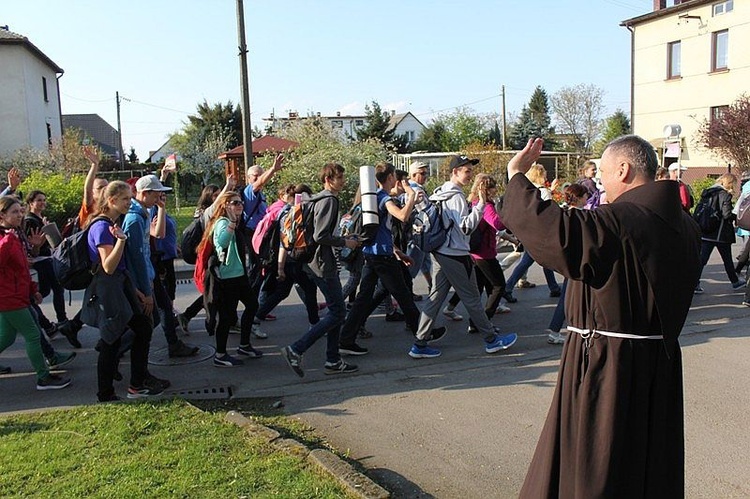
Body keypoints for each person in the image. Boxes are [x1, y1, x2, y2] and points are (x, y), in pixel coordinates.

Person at [502, 135, 701, 498]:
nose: (603, 183)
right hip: (659, 362)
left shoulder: (621, 220)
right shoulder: (685, 225)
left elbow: (558, 235)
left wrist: (516, 177)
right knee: (646, 463)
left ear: (623, 170)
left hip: (607, 367)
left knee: (598, 467)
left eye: (605, 173)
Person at [409, 155, 518, 359]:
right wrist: (480, 205)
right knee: (472, 298)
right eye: (466, 171)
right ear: (455, 172)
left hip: (441, 250)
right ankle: (491, 340)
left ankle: (419, 343)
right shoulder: (456, 196)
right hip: (454, 254)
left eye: (470, 170)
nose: (470, 175)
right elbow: (466, 227)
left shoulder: (440, 192)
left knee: (435, 298)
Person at [82, 181, 164, 401]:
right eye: (126, 199)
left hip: (120, 286)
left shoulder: (112, 222)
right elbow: (108, 266)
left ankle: (136, 383)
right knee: (112, 340)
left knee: (140, 329)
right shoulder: (101, 227)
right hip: (109, 290)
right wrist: (120, 241)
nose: (130, 202)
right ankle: (107, 393)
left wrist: (135, 290)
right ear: (112, 201)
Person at [280, 162, 360, 377]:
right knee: (338, 312)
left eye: (343, 177)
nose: (343, 181)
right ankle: (296, 349)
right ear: (328, 179)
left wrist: (344, 238)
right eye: (339, 177)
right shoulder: (329, 200)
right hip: (322, 263)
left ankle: (333, 360)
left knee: (336, 310)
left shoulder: (315, 198)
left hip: (312, 261)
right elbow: (320, 236)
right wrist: (345, 243)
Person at [337, 162, 420, 356]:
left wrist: (398, 252)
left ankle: (346, 339)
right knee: (404, 296)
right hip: (381, 257)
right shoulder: (383, 198)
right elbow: (402, 215)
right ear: (391, 177)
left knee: (364, 298)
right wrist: (412, 196)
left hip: (373, 253)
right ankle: (424, 335)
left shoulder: (375, 197)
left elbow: (381, 231)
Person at [0, 195, 71, 390]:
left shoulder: (13, 235)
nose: (19, 215)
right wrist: (7, 240)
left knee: (7, 337)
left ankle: (45, 374)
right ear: (2, 215)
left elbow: (22, 268)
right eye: (14, 212)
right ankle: (43, 377)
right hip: (8, 297)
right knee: (32, 335)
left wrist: (32, 290)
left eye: (20, 211)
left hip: (18, 295)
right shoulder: (6, 239)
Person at [123, 174, 197, 357]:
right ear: (145, 193)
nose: (159, 198)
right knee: (146, 321)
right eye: (156, 194)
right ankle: (114, 349)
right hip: (144, 275)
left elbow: (157, 235)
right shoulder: (134, 219)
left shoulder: (142, 213)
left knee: (158, 312)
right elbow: (137, 256)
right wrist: (145, 288)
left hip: (150, 271)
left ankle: (173, 344)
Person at [200, 191, 263, 367]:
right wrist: (232, 223)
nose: (239, 205)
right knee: (226, 317)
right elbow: (222, 242)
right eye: (235, 203)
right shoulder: (223, 223)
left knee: (252, 305)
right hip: (228, 277)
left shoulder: (234, 222)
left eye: (240, 202)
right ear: (225, 205)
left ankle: (244, 345)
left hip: (238, 275)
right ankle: (220, 354)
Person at [503, 164, 562, 301]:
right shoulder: (544, 192)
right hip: (542, 232)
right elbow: (549, 212)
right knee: (530, 261)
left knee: (543, 260)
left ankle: (554, 287)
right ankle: (508, 287)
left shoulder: (528, 191)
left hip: (528, 230)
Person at [544, 183, 589, 345]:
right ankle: (557, 330)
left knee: (569, 295)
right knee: (571, 296)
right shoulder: (581, 216)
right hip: (578, 261)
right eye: (585, 196)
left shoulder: (564, 214)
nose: (587, 199)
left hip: (570, 260)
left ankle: (558, 329)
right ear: (578, 198)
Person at [694, 173, 745, 293]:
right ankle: (735, 282)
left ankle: (694, 282)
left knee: (702, 259)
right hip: (720, 233)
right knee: (727, 259)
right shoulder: (724, 195)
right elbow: (726, 214)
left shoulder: (708, 192)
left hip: (706, 231)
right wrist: (736, 217)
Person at [406, 161, 433, 297]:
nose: (425, 176)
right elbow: (425, 210)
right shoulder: (415, 190)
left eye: (425, 173)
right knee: (413, 262)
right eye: (422, 173)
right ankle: (406, 292)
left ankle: (431, 286)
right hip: (418, 232)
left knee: (424, 261)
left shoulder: (415, 188)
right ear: (413, 174)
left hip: (420, 232)